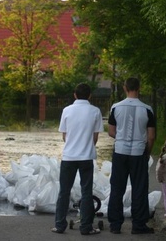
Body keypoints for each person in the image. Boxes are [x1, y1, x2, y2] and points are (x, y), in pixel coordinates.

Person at [51, 83, 104, 235]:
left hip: (69, 157)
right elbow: (95, 137)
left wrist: (72, 145)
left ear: (75, 94)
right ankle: (86, 227)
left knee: (64, 192)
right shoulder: (95, 111)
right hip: (86, 157)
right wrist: (86, 146)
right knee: (86, 192)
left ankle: (60, 225)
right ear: (90, 95)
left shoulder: (66, 110)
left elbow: (64, 135)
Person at [107, 77, 156, 235]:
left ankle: (115, 225)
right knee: (139, 188)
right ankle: (138, 225)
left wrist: (122, 138)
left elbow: (111, 131)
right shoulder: (147, 109)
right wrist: (147, 152)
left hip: (120, 151)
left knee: (117, 188)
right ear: (139, 88)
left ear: (124, 88)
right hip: (138, 151)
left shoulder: (116, 107)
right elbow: (151, 136)